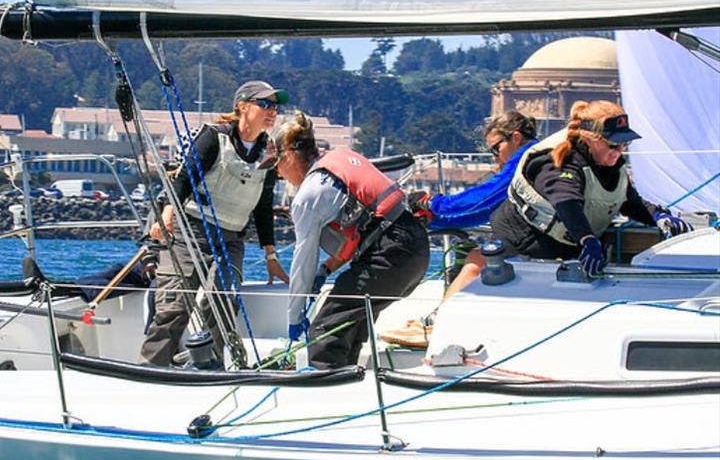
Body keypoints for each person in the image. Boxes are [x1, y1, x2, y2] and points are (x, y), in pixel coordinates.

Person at [258, 111, 430, 369]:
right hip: (413, 247)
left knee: (324, 331)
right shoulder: (338, 159)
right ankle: (348, 380)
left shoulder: (309, 195)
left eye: (277, 166)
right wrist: (326, 269)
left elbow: (302, 261)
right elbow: (364, 228)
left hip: (393, 253)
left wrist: (294, 318)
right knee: (351, 323)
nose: (279, 174)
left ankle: (323, 387)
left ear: (290, 156)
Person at [139, 80, 290, 366]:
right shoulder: (213, 137)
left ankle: (210, 367)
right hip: (190, 232)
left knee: (221, 302)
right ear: (242, 106)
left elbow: (263, 207)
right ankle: (151, 367)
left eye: (275, 106)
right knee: (174, 308)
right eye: (265, 104)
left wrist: (270, 254)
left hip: (231, 239)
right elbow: (184, 178)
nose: (272, 111)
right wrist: (167, 212)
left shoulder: (269, 153)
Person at [381, 112, 538, 347]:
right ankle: (437, 320)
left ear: (515, 138)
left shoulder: (526, 159)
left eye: (496, 149)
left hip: (539, 242)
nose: (495, 156)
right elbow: (483, 211)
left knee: (477, 260)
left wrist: (432, 204)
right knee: (477, 256)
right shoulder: (532, 157)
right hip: (535, 236)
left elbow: (484, 199)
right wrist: (435, 220)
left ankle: (438, 325)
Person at [491, 100, 692, 274]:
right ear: (590, 139)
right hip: (523, 241)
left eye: (625, 144)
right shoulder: (559, 161)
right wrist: (587, 239)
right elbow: (566, 201)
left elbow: (628, 201)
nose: (619, 151)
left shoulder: (610, 163)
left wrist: (659, 217)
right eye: (613, 145)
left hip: (569, 244)